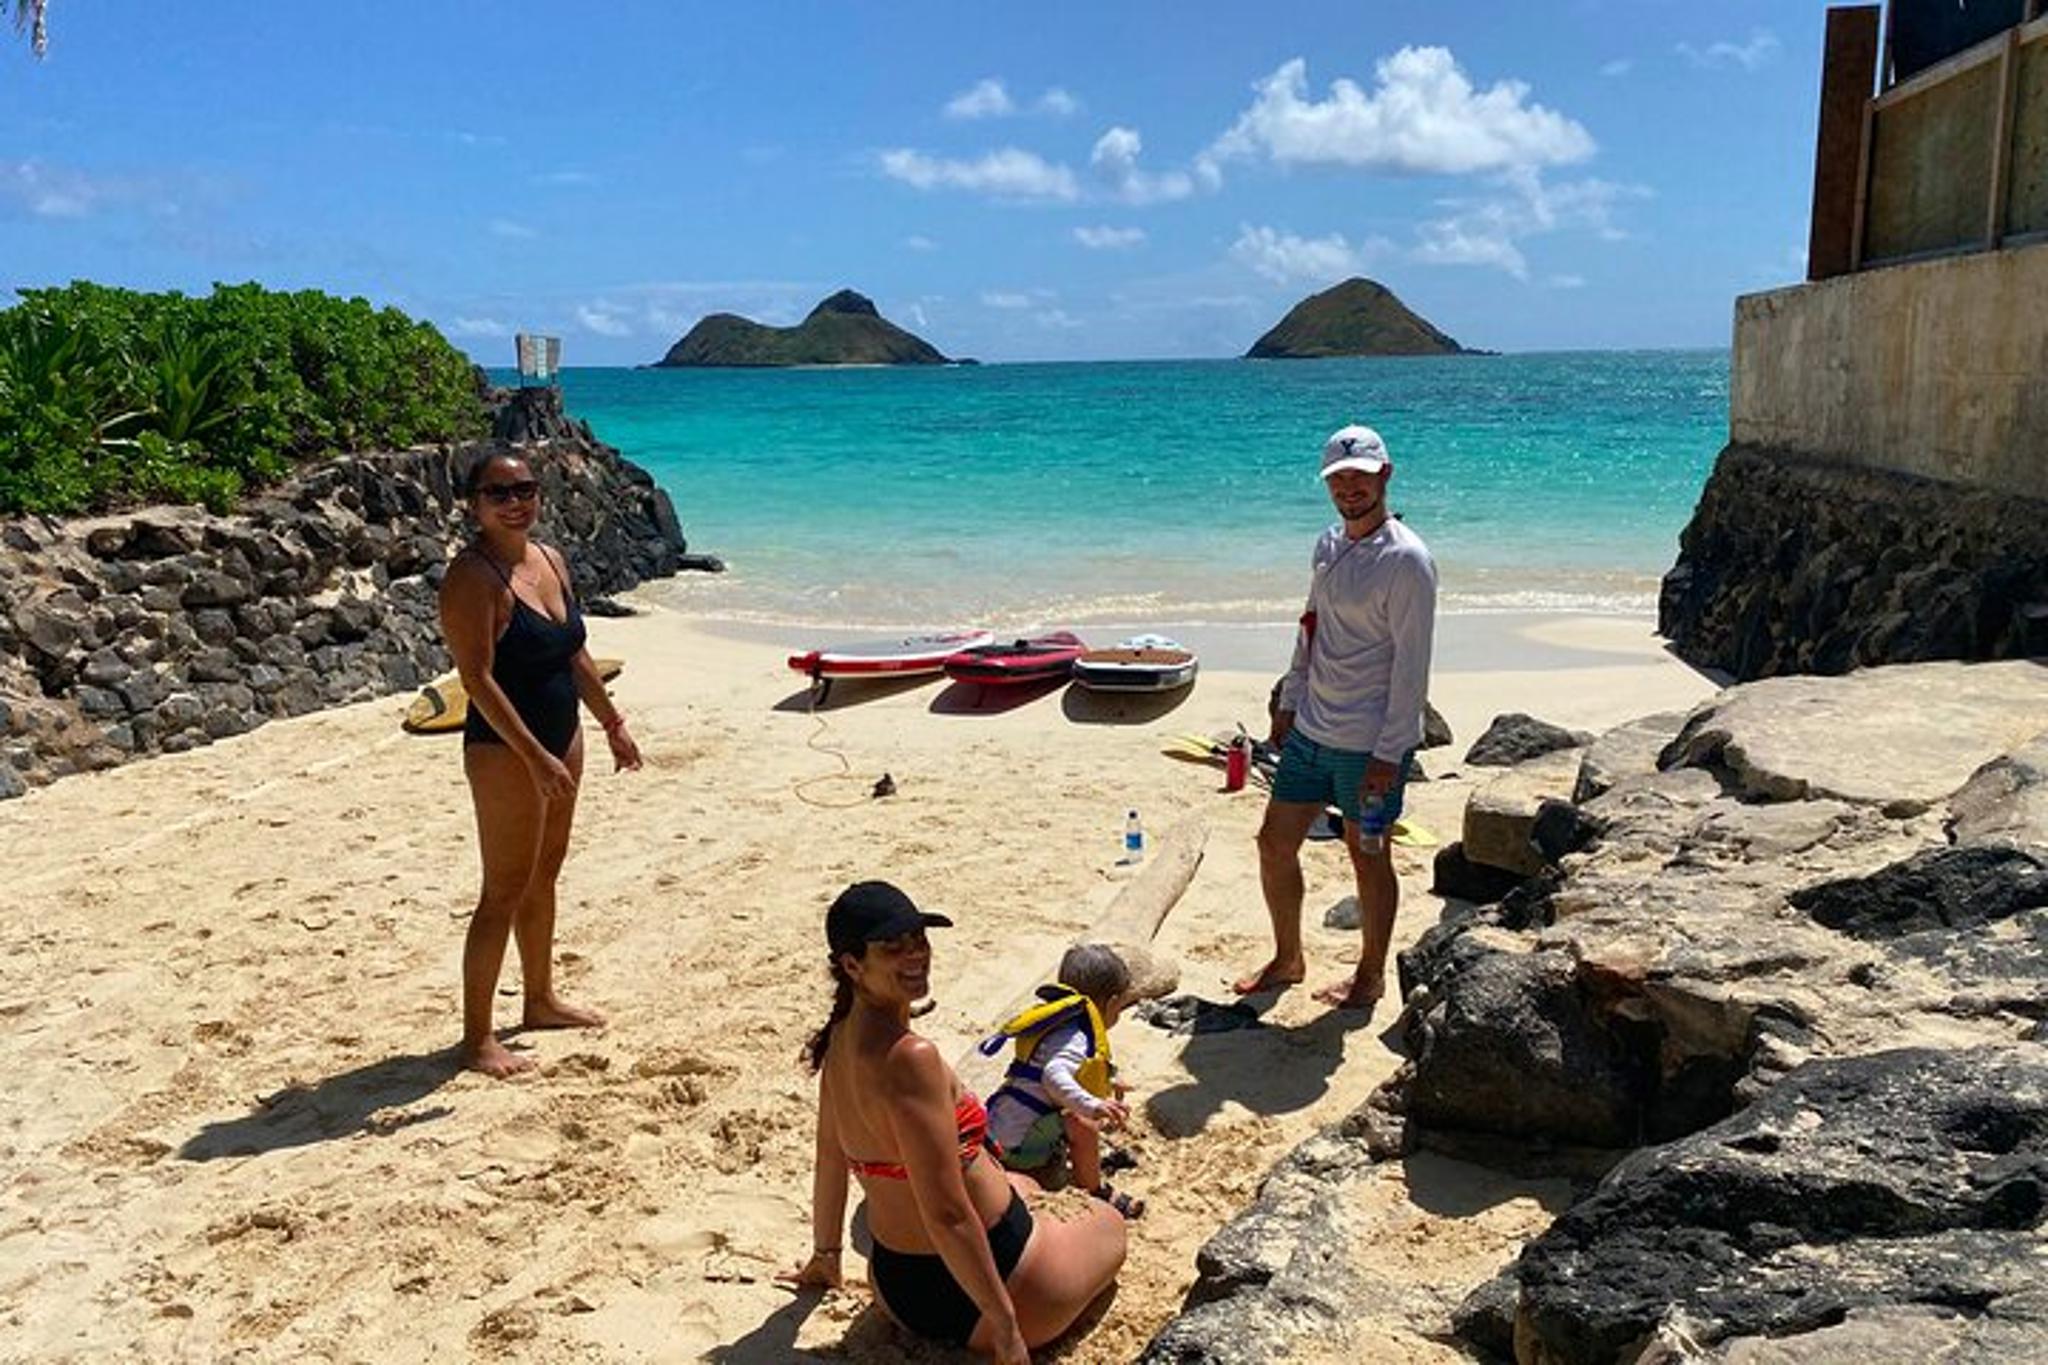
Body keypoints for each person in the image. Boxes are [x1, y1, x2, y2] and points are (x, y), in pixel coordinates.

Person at [781, 882, 1126, 1363]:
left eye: (918, 940)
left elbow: (829, 1155)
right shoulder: (910, 1058)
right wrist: (1006, 1331)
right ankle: (1009, 1313)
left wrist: (827, 1255)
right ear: (852, 964)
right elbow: (947, 1214)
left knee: (1021, 1183)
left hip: (897, 1287)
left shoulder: (838, 1039)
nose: (915, 955)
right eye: (893, 948)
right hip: (996, 1290)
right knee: (1109, 1224)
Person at [438, 451, 642, 1078]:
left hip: (562, 738)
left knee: (543, 875)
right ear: (473, 504)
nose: (515, 501)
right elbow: (475, 678)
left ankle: (539, 999)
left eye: (525, 488)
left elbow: (573, 653)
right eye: (498, 492)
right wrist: (534, 757)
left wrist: (612, 724)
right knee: (501, 891)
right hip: (506, 750)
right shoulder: (472, 578)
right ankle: (476, 1041)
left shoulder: (549, 560)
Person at [1233, 424, 1436, 1011]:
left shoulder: (1407, 560)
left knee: (1368, 853)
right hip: (1312, 734)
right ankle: (1288, 957)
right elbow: (1311, 627)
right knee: (1274, 842)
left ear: (1385, 476)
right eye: (1338, 479)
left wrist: (1389, 754)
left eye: (1360, 476)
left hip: (1369, 746)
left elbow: (1411, 666)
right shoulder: (1327, 544)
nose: (1349, 488)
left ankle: (1369, 976)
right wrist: (1291, 699)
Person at [982, 944, 1144, 1218]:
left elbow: (1073, 1070)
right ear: (1112, 1002)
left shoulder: (1060, 1021)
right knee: (1083, 1124)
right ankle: (1094, 1190)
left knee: (1074, 1115)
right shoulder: (1076, 1037)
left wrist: (1110, 1081)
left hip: (1000, 1128)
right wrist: (1093, 1105)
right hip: (1016, 1147)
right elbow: (1052, 1074)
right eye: (1121, 1007)